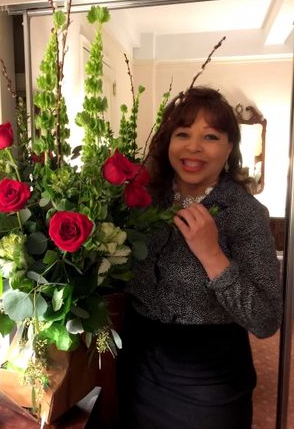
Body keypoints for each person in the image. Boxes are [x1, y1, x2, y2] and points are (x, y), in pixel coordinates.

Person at [116, 86, 283, 429]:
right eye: (183, 134)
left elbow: (266, 320)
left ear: (229, 147)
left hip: (209, 384)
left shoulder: (245, 214)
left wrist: (213, 256)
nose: (193, 146)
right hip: (138, 366)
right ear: (168, 144)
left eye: (210, 136)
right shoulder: (142, 199)